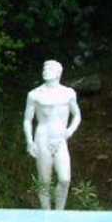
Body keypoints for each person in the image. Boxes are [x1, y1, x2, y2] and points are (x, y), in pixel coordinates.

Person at [23, 60, 81, 210]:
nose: (45, 70)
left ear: (58, 72)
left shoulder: (68, 93)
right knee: (45, 181)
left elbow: (77, 115)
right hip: (42, 137)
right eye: (44, 68)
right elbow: (27, 120)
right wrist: (29, 141)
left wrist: (70, 131)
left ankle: (59, 212)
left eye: (49, 68)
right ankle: (46, 213)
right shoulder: (34, 94)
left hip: (60, 139)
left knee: (64, 179)